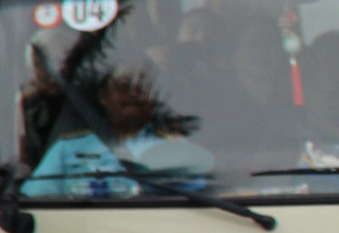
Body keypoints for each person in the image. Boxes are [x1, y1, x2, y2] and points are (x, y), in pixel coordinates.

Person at [21, 69, 208, 197]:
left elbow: (198, 198)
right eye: (125, 85)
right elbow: (35, 201)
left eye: (143, 87)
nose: (135, 93)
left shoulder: (177, 147)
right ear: (104, 96)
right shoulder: (69, 148)